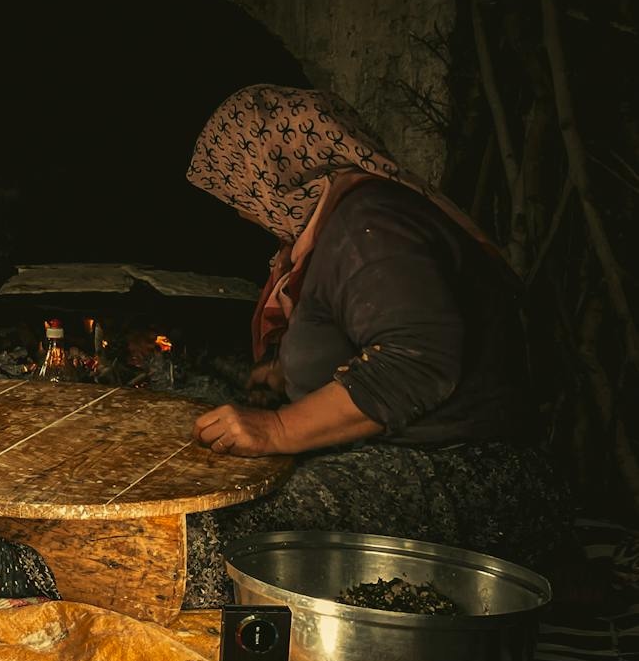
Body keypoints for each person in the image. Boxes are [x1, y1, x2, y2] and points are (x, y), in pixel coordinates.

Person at [181, 84, 576, 606]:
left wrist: (277, 428)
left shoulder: (373, 224)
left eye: (238, 192)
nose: (242, 212)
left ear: (270, 173)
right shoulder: (345, 226)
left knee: (208, 542)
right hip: (428, 459)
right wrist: (284, 376)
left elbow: (415, 361)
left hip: (473, 476)